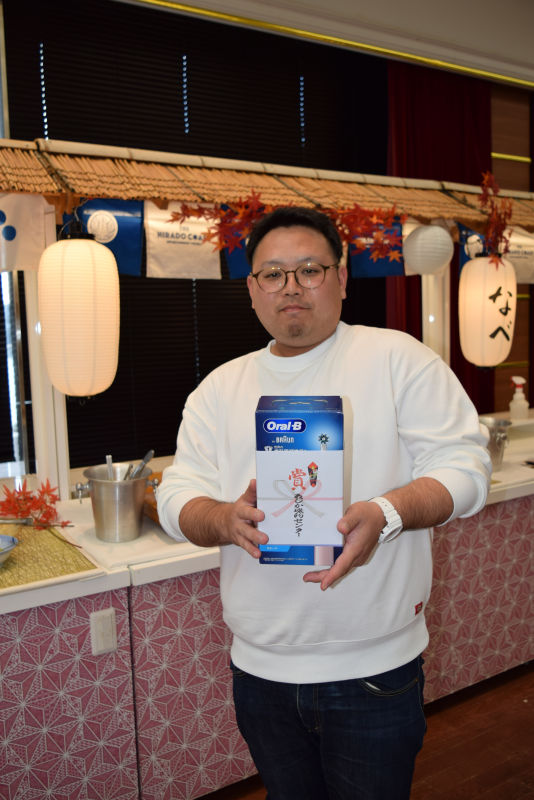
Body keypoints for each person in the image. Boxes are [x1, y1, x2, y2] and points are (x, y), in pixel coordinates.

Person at [157, 207, 491, 800]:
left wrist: (386, 514)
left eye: (310, 270)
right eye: (273, 274)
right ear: (252, 289)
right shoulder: (220, 389)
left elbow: (466, 470)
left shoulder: (398, 359)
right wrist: (222, 518)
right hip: (261, 671)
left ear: (341, 278)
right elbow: (176, 495)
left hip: (375, 669)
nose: (291, 286)